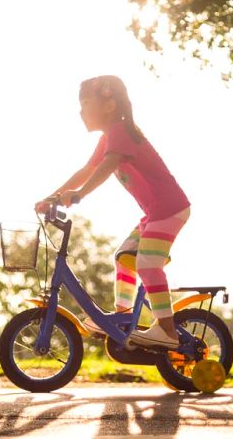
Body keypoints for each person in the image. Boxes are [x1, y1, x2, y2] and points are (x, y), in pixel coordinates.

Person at [34, 75, 190, 348]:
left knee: (147, 264)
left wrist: (80, 194)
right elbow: (86, 170)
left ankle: (167, 331)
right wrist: (54, 196)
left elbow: (107, 167)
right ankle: (123, 317)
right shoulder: (109, 137)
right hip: (155, 213)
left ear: (108, 105)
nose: (81, 110)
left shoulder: (120, 131)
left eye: (85, 103)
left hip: (169, 209)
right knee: (123, 258)